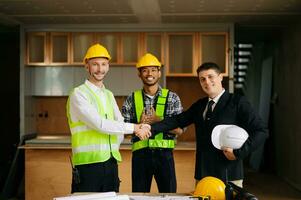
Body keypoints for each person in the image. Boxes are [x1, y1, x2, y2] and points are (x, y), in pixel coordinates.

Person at [150, 62, 268, 187]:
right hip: (203, 175)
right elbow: (178, 120)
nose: (207, 82)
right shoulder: (200, 105)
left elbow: (261, 131)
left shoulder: (238, 102)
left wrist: (238, 153)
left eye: (210, 77)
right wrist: (150, 128)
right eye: (202, 79)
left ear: (220, 77)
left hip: (229, 175)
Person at [66, 44, 151, 193]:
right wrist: (136, 128)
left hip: (111, 163)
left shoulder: (108, 94)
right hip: (88, 165)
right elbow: (99, 124)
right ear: (87, 66)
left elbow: (119, 123)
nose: (100, 69)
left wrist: (136, 128)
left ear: (108, 66)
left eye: (104, 64)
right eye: (95, 64)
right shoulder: (78, 94)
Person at [122, 53, 184, 192]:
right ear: (139, 74)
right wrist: (137, 125)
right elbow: (123, 132)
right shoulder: (131, 99)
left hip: (165, 156)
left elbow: (180, 130)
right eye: (145, 70)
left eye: (153, 70)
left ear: (159, 73)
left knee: (168, 196)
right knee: (139, 196)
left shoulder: (172, 98)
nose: (149, 73)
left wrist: (159, 121)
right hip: (140, 158)